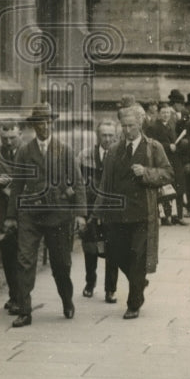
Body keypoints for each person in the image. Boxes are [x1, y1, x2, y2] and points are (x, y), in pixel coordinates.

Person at [8, 102, 86, 327]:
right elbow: (17, 185)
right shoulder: (25, 151)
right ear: (34, 125)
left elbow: (78, 183)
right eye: (39, 122)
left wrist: (80, 214)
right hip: (30, 215)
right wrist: (11, 216)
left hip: (58, 215)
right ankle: (25, 310)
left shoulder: (65, 150)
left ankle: (66, 299)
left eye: (47, 121)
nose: (43, 126)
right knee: (24, 261)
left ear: (52, 123)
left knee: (61, 264)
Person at [95, 104, 173, 319]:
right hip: (117, 215)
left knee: (138, 257)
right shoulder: (114, 150)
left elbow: (168, 173)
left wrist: (146, 172)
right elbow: (105, 183)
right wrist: (98, 213)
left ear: (140, 124)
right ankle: (139, 282)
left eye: (131, 126)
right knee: (117, 255)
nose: (127, 130)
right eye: (124, 126)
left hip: (142, 213)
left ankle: (134, 303)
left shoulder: (153, 147)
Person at [78, 119, 119, 302]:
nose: (107, 139)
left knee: (113, 250)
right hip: (90, 208)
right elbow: (76, 181)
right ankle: (90, 282)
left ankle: (110, 289)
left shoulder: (120, 156)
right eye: (104, 135)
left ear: (115, 136)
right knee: (90, 247)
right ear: (97, 136)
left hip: (112, 210)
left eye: (111, 135)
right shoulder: (85, 156)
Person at [0, 119, 22, 314]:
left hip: (24, 214)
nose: (8, 142)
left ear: (20, 134)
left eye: (12, 138)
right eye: (4, 138)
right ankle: (15, 295)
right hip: (4, 214)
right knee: (8, 256)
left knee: (23, 257)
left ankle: (20, 297)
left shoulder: (28, 153)